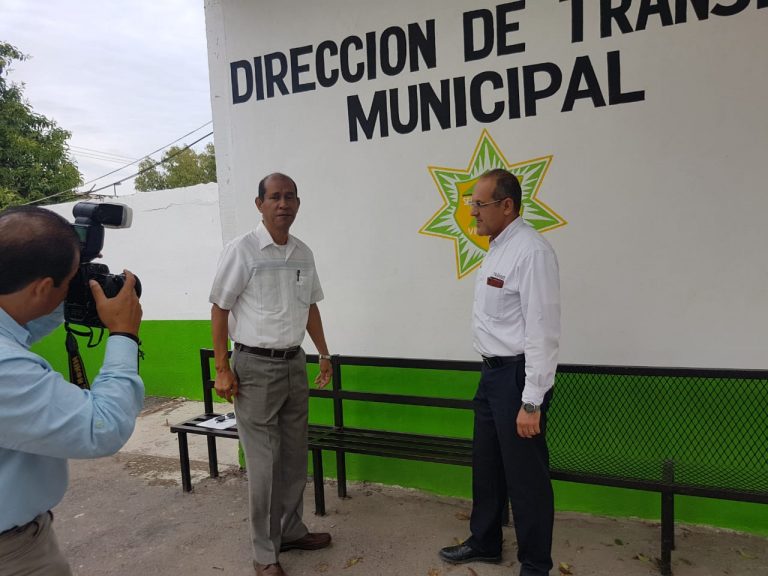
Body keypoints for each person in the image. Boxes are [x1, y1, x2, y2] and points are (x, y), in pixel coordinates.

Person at [0, 206, 144, 576]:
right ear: (43, 287)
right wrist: (124, 334)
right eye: (68, 283)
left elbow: (20, 329)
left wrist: (71, 281)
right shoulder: (7, 369)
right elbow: (103, 427)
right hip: (13, 555)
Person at [209, 172, 333, 576]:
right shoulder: (242, 250)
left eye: (290, 197)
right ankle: (265, 553)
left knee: (295, 457)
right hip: (255, 368)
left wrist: (324, 354)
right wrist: (222, 367)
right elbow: (220, 308)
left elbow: (310, 307)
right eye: (275, 197)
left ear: (298, 204)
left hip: (295, 364)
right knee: (264, 466)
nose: (284, 204)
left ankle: (292, 530)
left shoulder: (303, 253)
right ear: (259, 204)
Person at [439, 169, 561, 576]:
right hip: (491, 375)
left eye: (479, 204)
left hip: (517, 378)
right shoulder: (496, 248)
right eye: (471, 203)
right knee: (487, 466)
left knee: (526, 477)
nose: (472, 211)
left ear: (506, 206)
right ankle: (486, 541)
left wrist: (531, 401)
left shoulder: (531, 252)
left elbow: (542, 332)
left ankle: (535, 564)